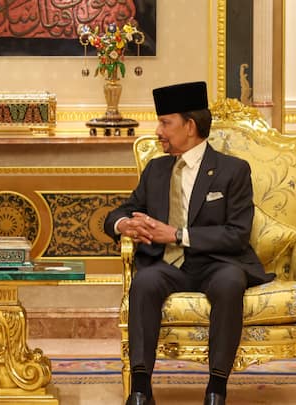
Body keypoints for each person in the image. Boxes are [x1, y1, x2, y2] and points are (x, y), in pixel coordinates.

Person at [104, 82, 274, 405]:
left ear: (190, 126)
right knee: (144, 283)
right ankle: (140, 389)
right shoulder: (156, 170)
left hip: (218, 263)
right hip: (168, 266)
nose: (158, 131)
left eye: (165, 123)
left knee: (229, 283)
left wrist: (178, 235)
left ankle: (216, 389)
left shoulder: (233, 171)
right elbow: (122, 210)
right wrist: (123, 223)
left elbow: (237, 232)